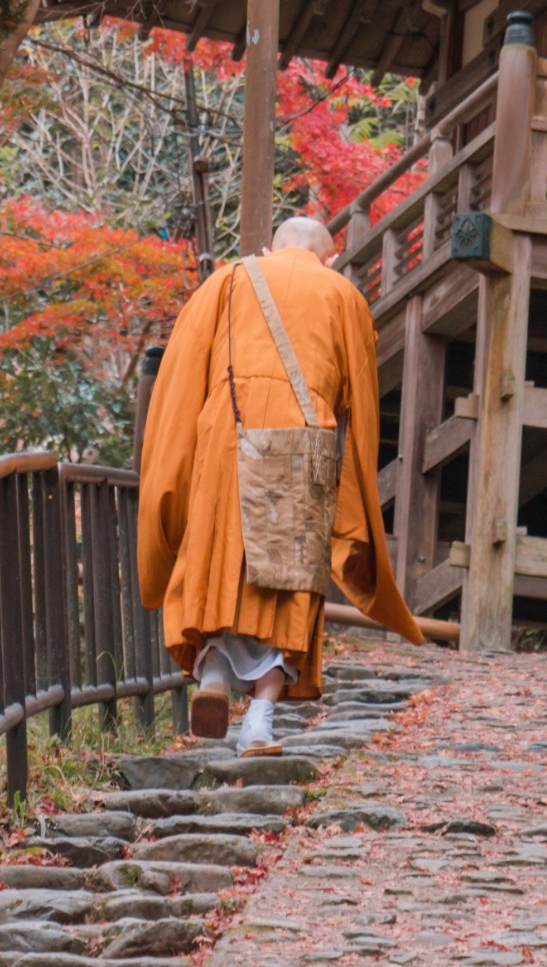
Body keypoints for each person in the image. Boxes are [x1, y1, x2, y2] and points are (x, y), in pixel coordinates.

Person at [138, 215, 421, 756]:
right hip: (301, 443)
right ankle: (260, 722)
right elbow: (358, 399)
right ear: (329, 259)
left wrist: (170, 476)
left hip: (226, 438)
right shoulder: (343, 296)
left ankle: (215, 673)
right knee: (287, 587)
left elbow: (178, 383)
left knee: (221, 568)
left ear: (268, 248)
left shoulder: (225, 281)